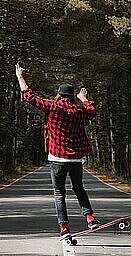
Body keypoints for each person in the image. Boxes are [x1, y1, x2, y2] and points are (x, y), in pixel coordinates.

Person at [15, 62, 100, 238]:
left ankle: (64, 228)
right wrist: (84, 99)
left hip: (57, 158)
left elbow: (30, 97)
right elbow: (91, 110)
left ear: (59, 94)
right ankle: (90, 218)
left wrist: (20, 77)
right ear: (72, 96)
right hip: (75, 159)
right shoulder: (79, 111)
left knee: (59, 193)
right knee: (79, 188)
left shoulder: (52, 107)